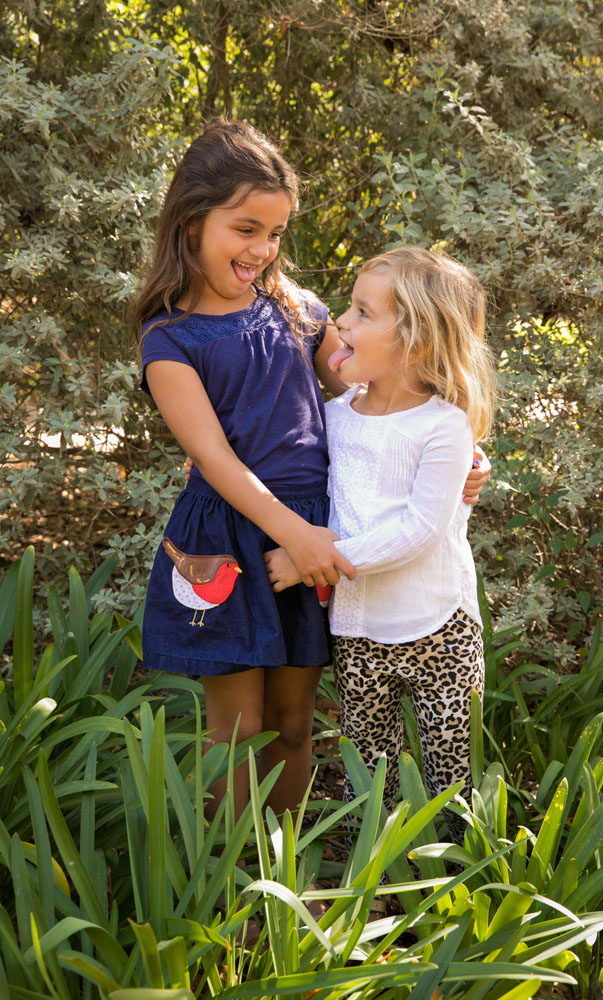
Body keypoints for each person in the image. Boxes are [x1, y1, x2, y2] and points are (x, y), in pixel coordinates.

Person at [135, 118, 489, 820]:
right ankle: (231, 890)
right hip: (230, 538)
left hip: (315, 531)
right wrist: (293, 535)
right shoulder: (169, 340)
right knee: (234, 730)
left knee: (294, 722)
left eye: (274, 233)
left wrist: (460, 460)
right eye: (245, 229)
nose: (262, 250)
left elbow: (384, 389)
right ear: (191, 219)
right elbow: (215, 460)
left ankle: (285, 875)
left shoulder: (296, 311)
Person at [265, 247, 495, 844]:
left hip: (438, 625)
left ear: (415, 339)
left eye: (362, 312)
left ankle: (458, 878)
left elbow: (419, 530)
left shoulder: (444, 425)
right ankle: (373, 872)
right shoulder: (335, 416)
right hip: (358, 630)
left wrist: (313, 559)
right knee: (369, 767)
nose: (341, 321)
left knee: (451, 771)